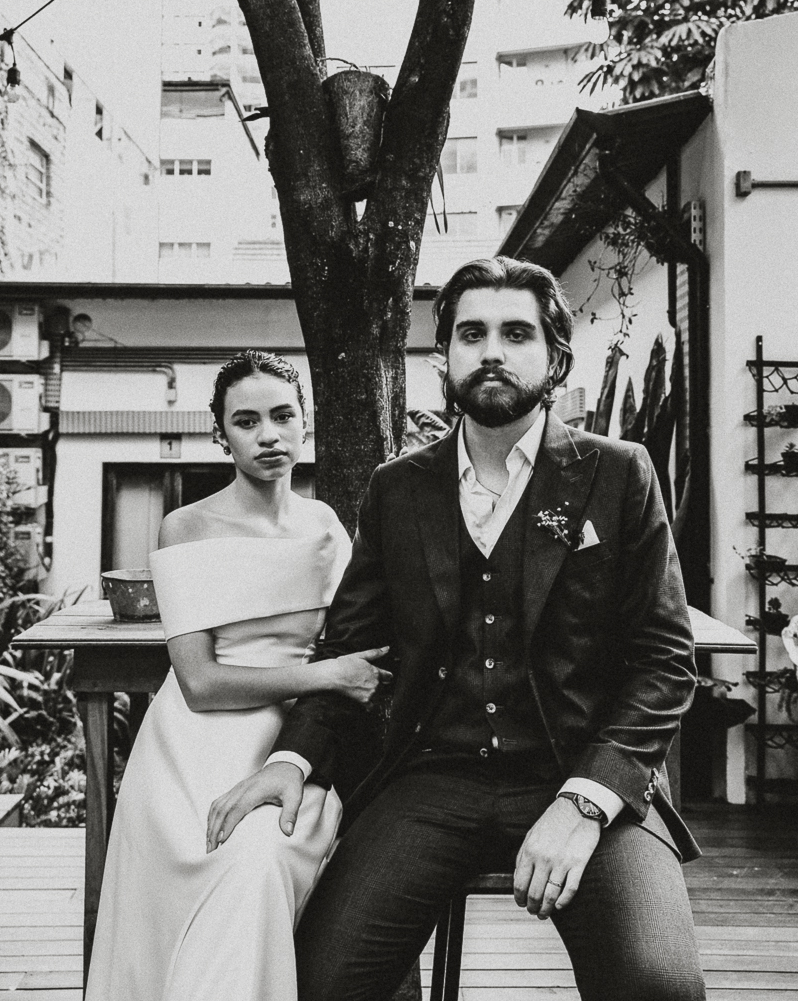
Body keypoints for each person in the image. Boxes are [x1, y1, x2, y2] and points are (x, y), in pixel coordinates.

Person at [206, 258, 707, 1001]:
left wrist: (585, 800)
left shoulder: (618, 473)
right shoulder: (398, 488)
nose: (492, 351)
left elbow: (664, 661)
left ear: (555, 357)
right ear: (444, 355)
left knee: (658, 987)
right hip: (432, 779)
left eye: (516, 333)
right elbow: (350, 648)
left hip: (583, 774)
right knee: (322, 982)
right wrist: (294, 759)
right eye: (471, 334)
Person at [85, 350, 391, 1001]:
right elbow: (199, 682)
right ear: (221, 435)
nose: (268, 435)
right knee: (207, 865)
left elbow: (360, 636)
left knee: (257, 864)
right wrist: (325, 677)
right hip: (191, 747)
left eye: (282, 416)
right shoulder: (185, 527)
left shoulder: (325, 527)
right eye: (246, 422)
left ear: (305, 422)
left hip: (293, 744)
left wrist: (329, 692)